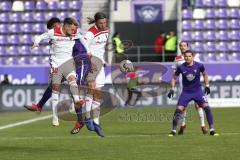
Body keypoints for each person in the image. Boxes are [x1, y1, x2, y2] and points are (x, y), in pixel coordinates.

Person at [31, 17, 84, 127]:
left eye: (57, 25)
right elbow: (40, 37)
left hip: (71, 61)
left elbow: (83, 37)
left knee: (71, 81)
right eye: (54, 27)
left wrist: (89, 50)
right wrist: (36, 43)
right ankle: (54, 116)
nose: (57, 28)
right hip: (57, 63)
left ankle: (78, 103)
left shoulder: (73, 32)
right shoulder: (53, 34)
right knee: (55, 87)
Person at [167, 50, 219, 136]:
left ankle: (212, 130)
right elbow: (174, 77)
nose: (187, 58)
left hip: (197, 91)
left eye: (189, 56)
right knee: (178, 109)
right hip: (186, 92)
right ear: (184, 57)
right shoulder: (181, 67)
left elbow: (205, 74)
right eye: (186, 56)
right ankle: (173, 131)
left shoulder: (199, 65)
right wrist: (172, 89)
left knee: (207, 107)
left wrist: (207, 85)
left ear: (193, 57)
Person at [76, 12, 109, 137]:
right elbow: (82, 48)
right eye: (100, 23)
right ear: (96, 22)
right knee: (92, 88)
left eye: (104, 22)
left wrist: (104, 60)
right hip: (91, 64)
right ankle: (88, 118)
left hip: (100, 64)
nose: (103, 25)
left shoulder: (106, 31)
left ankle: (96, 123)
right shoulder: (90, 33)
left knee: (98, 95)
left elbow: (101, 49)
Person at [173, 41, 207, 135]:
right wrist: (173, 85)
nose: (182, 47)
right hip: (183, 86)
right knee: (183, 107)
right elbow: (175, 73)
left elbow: (201, 69)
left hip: (195, 86)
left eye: (184, 45)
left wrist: (205, 83)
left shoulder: (195, 57)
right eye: (180, 46)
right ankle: (183, 124)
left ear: (187, 46)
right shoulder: (177, 59)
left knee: (198, 105)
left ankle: (203, 125)